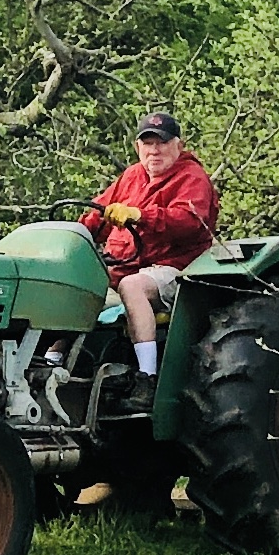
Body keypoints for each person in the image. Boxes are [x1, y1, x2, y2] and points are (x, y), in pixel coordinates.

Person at [82, 109, 218, 382]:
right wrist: (78, 232)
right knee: (74, 288)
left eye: (163, 142)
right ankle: (49, 364)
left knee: (132, 286)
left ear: (178, 145)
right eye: (148, 143)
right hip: (121, 269)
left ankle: (147, 376)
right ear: (137, 147)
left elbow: (189, 222)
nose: (155, 151)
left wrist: (141, 215)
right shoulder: (132, 176)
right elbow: (97, 216)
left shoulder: (192, 177)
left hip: (176, 270)